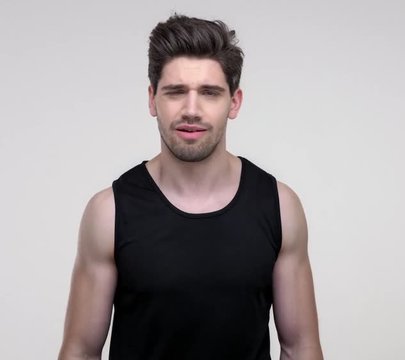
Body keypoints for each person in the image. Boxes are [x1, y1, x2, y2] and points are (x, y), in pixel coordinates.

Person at [58, 14, 323, 360]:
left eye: (210, 93)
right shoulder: (108, 212)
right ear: (153, 100)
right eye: (176, 92)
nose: (192, 110)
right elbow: (80, 350)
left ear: (235, 102)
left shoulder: (280, 206)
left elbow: (300, 347)